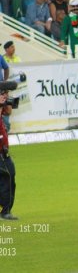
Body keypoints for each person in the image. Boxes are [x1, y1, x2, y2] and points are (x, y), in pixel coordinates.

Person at [0, 83, 17, 220]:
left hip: (4, 152)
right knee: (7, 177)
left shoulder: (3, 109)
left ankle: (6, 210)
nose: (5, 96)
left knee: (10, 176)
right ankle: (5, 211)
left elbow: (9, 111)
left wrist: (5, 101)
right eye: (2, 93)